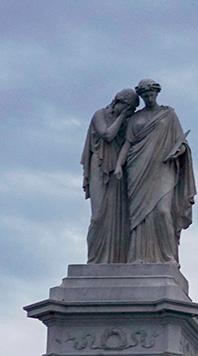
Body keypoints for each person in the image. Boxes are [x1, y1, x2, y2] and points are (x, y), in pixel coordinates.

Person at [116, 78, 195, 264]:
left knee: (162, 211)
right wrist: (119, 165)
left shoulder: (168, 115)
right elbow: (128, 144)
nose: (149, 97)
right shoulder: (135, 118)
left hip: (163, 166)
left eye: (151, 94)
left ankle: (168, 257)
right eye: (145, 95)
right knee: (139, 215)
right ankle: (138, 256)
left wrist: (179, 150)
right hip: (138, 167)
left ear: (157, 93)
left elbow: (181, 141)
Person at [81, 88, 138, 263]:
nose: (131, 112)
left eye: (133, 110)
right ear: (118, 101)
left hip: (118, 171)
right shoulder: (100, 115)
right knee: (98, 216)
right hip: (99, 165)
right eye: (129, 107)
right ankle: (94, 259)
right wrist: (122, 117)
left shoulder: (128, 122)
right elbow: (107, 134)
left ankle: (114, 259)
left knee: (117, 217)